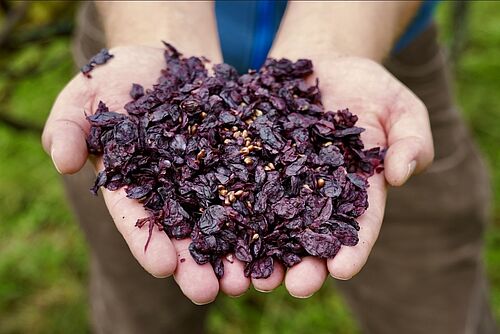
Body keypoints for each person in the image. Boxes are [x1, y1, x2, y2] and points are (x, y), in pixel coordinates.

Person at [41, 2, 497, 333]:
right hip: (137, 38)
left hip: (374, 44)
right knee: (139, 305)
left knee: (434, 290)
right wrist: (157, 23)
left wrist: (338, 37)